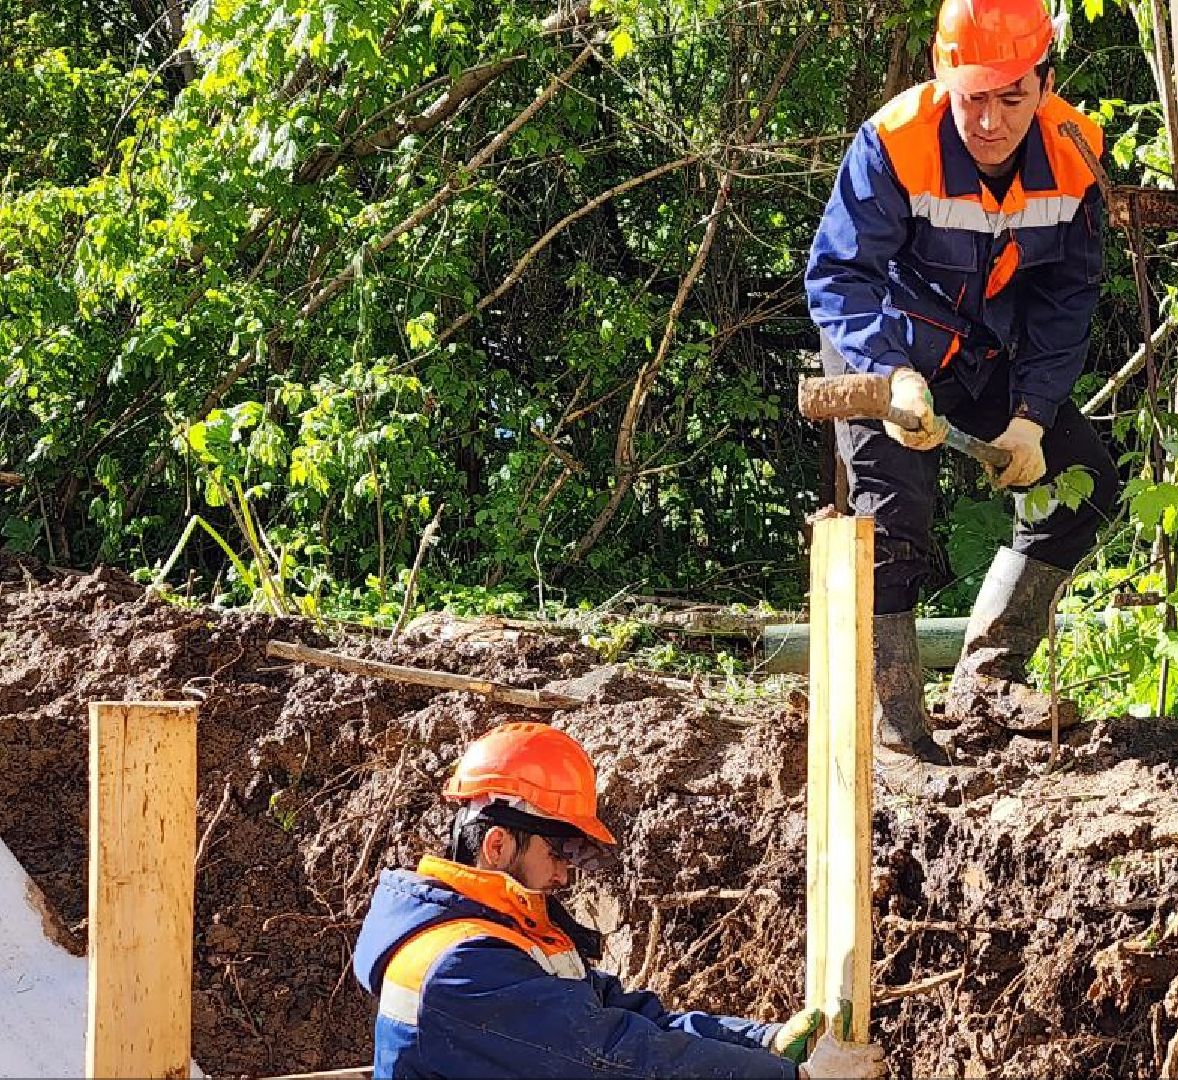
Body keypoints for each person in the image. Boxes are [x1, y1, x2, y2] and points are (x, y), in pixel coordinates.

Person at [805, 0, 1120, 765]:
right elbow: (840, 275)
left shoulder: (1075, 152)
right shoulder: (893, 141)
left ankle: (990, 674)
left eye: (1011, 96)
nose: (990, 121)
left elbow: (1064, 298)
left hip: (984, 353)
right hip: (886, 341)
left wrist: (1030, 417)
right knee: (891, 520)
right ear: (944, 76)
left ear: (1044, 84)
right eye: (974, 97)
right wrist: (890, 376)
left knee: (1082, 483)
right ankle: (898, 720)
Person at [353, 722, 886, 1079]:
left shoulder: (508, 934)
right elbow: (616, 1055)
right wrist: (791, 1077)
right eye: (560, 849)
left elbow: (630, 1017)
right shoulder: (458, 965)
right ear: (497, 844)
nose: (565, 872)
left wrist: (761, 1041)